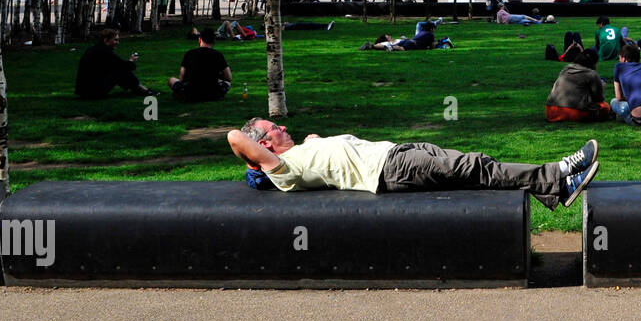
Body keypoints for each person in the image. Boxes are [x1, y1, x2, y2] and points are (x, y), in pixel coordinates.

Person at [228, 119, 599, 210]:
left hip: (398, 153)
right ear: (262, 146)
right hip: (391, 170)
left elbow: (314, 146)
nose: (283, 127)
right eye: (274, 128)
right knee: (476, 166)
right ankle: (558, 171)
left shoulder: (295, 154)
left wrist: (315, 142)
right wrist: (258, 163)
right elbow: (234, 136)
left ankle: (555, 193)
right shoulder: (281, 169)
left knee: (474, 167)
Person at [75, 28, 155, 98]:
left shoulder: (93, 49)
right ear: (106, 40)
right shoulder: (105, 52)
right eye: (115, 40)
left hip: (83, 91)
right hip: (94, 91)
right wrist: (131, 60)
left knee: (119, 69)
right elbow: (127, 66)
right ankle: (142, 89)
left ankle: (139, 88)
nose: (117, 42)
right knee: (121, 71)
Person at [546, 49, 613, 123]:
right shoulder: (591, 74)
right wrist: (602, 86)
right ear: (594, 62)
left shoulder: (565, 70)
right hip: (574, 111)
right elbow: (599, 98)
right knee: (605, 106)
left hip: (551, 111)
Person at [169, 28, 233, 102]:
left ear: (200, 40)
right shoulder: (218, 55)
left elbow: (182, 77)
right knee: (227, 83)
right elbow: (229, 78)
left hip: (190, 92)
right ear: (214, 41)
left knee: (172, 80)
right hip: (212, 93)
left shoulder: (190, 53)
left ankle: (180, 94)